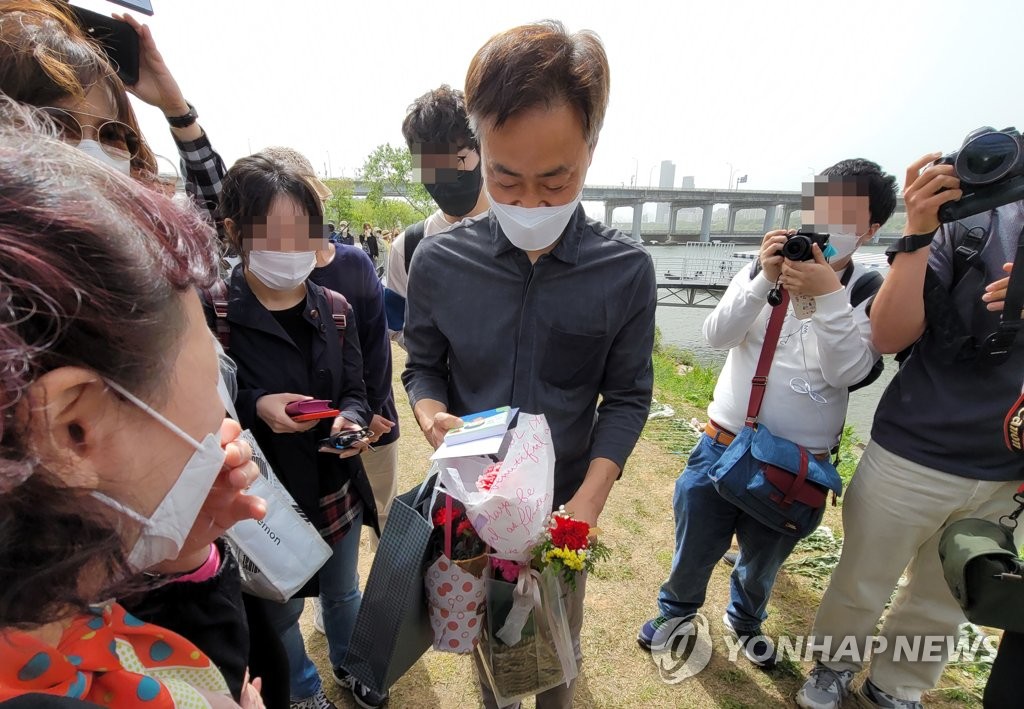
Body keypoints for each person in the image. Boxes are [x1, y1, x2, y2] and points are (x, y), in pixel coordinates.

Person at [0, 3, 261, 700]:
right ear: (71, 428)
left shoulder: (56, 612)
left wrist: (180, 551)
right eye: (52, 128)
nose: (89, 155)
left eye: (111, 132)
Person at [402, 21, 656, 708]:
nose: (531, 203)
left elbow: (629, 395)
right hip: (472, 511)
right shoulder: (439, 261)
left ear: (591, 149)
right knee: (488, 655)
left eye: (556, 179)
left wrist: (587, 505)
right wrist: (430, 415)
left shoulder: (625, 270)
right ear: (477, 147)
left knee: (554, 656)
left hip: (562, 515)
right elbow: (421, 366)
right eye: (505, 178)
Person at [638, 160, 898, 667]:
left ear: (870, 228)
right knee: (696, 539)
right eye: (820, 206)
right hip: (724, 440)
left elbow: (848, 371)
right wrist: (761, 279)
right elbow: (717, 336)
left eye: (845, 214)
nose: (826, 223)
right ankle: (677, 611)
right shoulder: (766, 264)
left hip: (797, 463)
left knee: (763, 560)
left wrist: (827, 296)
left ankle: (744, 619)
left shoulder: (868, 289)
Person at [795, 152, 1024, 709]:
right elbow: (891, 335)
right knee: (863, 577)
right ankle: (833, 665)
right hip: (914, 449)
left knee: (946, 592)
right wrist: (919, 231)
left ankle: (897, 686)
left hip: (1006, 468)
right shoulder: (971, 219)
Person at [212, 152, 386, 709]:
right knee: (280, 606)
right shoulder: (212, 311)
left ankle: (352, 664)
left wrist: (351, 421)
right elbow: (199, 408)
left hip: (335, 486)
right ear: (235, 231)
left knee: (343, 591)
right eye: (276, 235)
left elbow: (356, 391)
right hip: (262, 498)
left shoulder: (334, 309)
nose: (293, 252)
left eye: (304, 234)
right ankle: (306, 690)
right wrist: (256, 404)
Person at [384, 84, 490, 343]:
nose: (445, 177)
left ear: (483, 151)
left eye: (457, 162)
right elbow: (395, 321)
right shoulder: (407, 247)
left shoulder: (518, 231)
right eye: (431, 166)